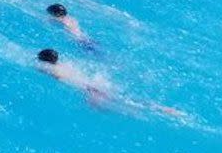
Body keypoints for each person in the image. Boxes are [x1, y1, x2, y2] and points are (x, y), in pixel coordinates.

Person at [36, 49, 182, 117]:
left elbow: (58, 77)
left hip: (89, 90)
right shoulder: (64, 65)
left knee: (117, 106)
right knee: (127, 100)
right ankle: (163, 108)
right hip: (92, 85)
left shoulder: (52, 70)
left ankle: (162, 110)